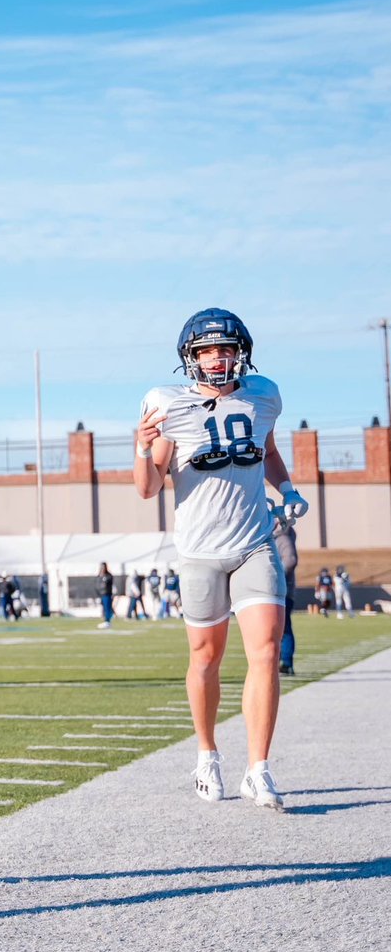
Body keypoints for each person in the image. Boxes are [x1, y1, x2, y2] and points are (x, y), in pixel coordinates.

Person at [135, 307, 308, 812]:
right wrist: (143, 449)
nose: (218, 358)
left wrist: (289, 486)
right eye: (208, 349)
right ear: (190, 357)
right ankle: (207, 753)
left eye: (226, 348)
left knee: (266, 653)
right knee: (206, 658)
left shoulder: (263, 396)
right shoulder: (168, 406)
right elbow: (148, 490)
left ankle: (259, 768)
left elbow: (268, 451)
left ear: (242, 353)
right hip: (200, 551)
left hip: (255, 541)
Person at [272, 509, 298, 676]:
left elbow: (290, 560)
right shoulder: (278, 537)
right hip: (278, 589)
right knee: (275, 628)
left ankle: (285, 662)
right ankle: (279, 661)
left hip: (283, 590)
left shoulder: (282, 538)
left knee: (284, 628)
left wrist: (274, 573)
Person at [96, 562, 115, 628]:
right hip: (101, 594)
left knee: (107, 608)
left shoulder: (108, 575)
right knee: (103, 608)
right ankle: (105, 621)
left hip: (107, 594)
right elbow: (97, 585)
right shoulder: (99, 576)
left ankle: (107, 621)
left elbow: (109, 583)